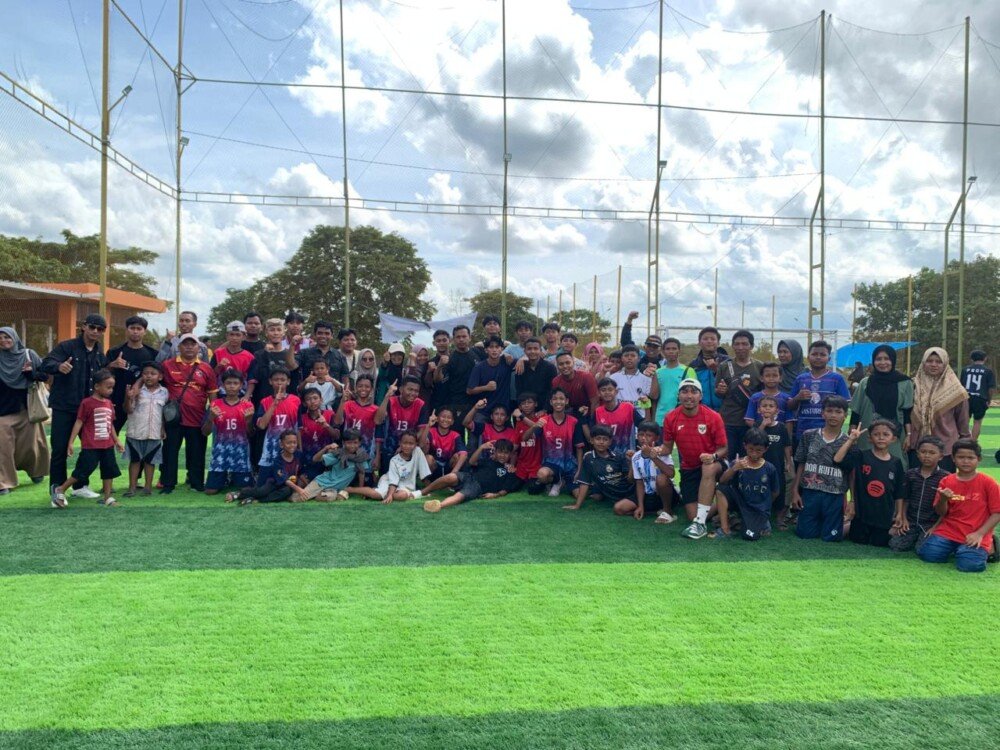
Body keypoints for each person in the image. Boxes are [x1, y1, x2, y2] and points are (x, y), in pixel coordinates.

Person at [42, 313, 109, 498]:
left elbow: (102, 376)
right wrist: (59, 367)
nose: (95, 331)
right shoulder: (67, 346)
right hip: (65, 406)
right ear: (84, 326)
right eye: (92, 327)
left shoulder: (99, 352)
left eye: (100, 329)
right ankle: (57, 489)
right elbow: (46, 363)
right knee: (60, 449)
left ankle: (80, 486)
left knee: (90, 449)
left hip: (88, 409)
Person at [917, 438, 1000, 573]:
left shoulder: (988, 483)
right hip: (949, 531)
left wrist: (979, 534)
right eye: (961, 457)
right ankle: (960, 549)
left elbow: (997, 513)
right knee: (928, 555)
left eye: (970, 458)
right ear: (953, 459)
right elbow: (941, 512)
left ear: (979, 459)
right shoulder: (946, 481)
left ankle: (990, 544)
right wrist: (943, 499)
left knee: (969, 566)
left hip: (976, 532)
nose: (965, 461)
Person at [661, 378, 728, 540]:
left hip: (715, 464)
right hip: (689, 467)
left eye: (694, 392)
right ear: (679, 396)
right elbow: (667, 449)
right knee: (691, 515)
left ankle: (700, 524)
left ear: (701, 396)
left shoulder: (713, 416)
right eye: (684, 391)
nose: (689, 396)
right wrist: (654, 450)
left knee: (708, 466)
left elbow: (724, 448)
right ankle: (726, 506)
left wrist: (712, 456)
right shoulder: (670, 417)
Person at [50, 369, 123, 508]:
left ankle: (108, 497)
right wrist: (71, 442)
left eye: (112, 387)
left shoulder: (109, 403)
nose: (111, 390)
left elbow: (110, 424)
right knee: (82, 471)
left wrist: (117, 441)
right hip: (91, 446)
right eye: (108, 387)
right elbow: (79, 422)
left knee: (109, 470)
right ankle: (60, 489)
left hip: (107, 445)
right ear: (96, 386)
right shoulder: (87, 403)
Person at [160, 333, 217, 494]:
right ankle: (168, 484)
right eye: (185, 344)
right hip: (174, 418)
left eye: (193, 344)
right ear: (179, 347)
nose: (189, 347)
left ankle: (196, 483)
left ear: (199, 348)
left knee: (197, 452)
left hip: (197, 418)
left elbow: (212, 392)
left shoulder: (206, 368)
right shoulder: (167, 365)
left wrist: (211, 414)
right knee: (170, 452)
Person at [835, 419, 906, 547]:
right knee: (857, 541)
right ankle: (847, 525)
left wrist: (899, 513)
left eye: (886, 434)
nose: (881, 438)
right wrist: (851, 439)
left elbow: (899, 491)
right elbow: (837, 459)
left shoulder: (896, 463)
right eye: (876, 434)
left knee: (880, 543)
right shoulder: (861, 456)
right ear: (869, 438)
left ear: (893, 439)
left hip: (883, 515)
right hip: (862, 515)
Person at [791, 395, 852, 542]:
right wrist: (795, 491)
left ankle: (849, 524)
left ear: (845, 415)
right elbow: (801, 463)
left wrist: (852, 501)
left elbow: (851, 473)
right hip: (810, 490)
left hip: (834, 493)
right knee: (805, 534)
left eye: (838, 412)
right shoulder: (809, 435)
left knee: (831, 537)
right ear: (822, 413)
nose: (833, 415)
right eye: (829, 411)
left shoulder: (849, 441)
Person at [0, 327, 50, 494]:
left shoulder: (28, 355)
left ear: (14, 338)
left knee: (31, 445)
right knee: (2, 448)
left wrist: (30, 373)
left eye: (7, 337)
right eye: (0, 338)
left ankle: (35, 471)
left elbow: (45, 376)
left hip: (27, 410)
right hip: (2, 412)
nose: (3, 340)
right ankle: (4, 482)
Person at [907, 347, 970, 473]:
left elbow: (963, 421)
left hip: (945, 448)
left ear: (945, 364)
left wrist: (965, 446)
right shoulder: (912, 386)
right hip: (917, 447)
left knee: (944, 483)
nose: (934, 365)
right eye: (929, 361)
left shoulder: (956, 391)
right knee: (915, 482)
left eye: (938, 361)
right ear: (923, 363)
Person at [848, 344, 913, 464]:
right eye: (878, 359)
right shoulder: (865, 383)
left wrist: (909, 435)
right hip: (867, 435)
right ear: (873, 361)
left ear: (893, 360)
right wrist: (852, 432)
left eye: (886, 359)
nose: (882, 362)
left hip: (894, 435)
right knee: (866, 466)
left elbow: (907, 412)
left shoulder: (905, 382)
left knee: (895, 465)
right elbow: (856, 412)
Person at [718, 428, 781, 541]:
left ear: (766, 449)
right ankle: (725, 528)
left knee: (749, 536)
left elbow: (775, 492)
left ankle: (756, 523)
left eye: (758, 450)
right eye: (751, 449)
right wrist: (734, 468)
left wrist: (764, 505)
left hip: (758, 510)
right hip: (741, 503)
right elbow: (722, 481)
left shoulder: (769, 468)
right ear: (745, 446)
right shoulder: (738, 463)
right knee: (720, 489)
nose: (754, 453)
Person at [422, 438, 518, 511]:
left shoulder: (509, 470)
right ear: (495, 451)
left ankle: (439, 505)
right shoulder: (489, 460)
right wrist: (481, 447)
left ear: (510, 454)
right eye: (500, 452)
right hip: (469, 476)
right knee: (451, 477)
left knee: (460, 496)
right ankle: (422, 492)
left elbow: (505, 489)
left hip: (477, 487)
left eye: (506, 453)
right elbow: (472, 461)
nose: (502, 455)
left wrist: (495, 495)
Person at [889, 436, 948, 554]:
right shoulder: (910, 474)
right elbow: (905, 498)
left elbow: (947, 508)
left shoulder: (946, 477)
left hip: (930, 523)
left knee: (923, 549)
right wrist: (904, 519)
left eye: (932, 453)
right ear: (917, 454)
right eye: (923, 452)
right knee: (895, 545)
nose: (927, 456)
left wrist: (935, 527)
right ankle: (911, 535)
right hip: (911, 521)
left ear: (941, 456)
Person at [523, 388, 585, 497]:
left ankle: (563, 482)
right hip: (551, 464)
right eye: (555, 399)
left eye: (561, 399)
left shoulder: (574, 421)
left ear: (566, 401)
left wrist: (579, 470)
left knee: (578, 495)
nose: (558, 401)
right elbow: (525, 439)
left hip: (570, 465)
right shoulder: (544, 421)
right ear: (551, 402)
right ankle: (557, 481)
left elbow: (579, 448)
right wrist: (534, 426)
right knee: (542, 475)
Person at [786, 340, 850, 446]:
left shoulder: (837, 379)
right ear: (808, 357)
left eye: (822, 354)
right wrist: (798, 397)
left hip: (828, 435)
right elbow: (790, 405)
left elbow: (845, 406)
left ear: (829, 358)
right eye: (814, 354)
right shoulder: (800, 379)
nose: (818, 357)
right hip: (803, 432)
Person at [203, 369, 255, 495]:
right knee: (210, 491)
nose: (232, 386)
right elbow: (205, 433)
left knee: (246, 490)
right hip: (221, 451)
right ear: (223, 385)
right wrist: (210, 418)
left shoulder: (247, 405)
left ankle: (233, 477)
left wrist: (248, 422)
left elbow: (251, 434)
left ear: (241, 385)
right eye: (228, 383)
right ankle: (224, 478)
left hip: (240, 451)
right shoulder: (215, 404)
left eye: (235, 383)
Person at [563, 425, 636, 513]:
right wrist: (577, 505)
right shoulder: (588, 457)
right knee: (602, 499)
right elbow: (585, 482)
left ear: (610, 442)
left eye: (605, 439)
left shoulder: (619, 456)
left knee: (619, 508)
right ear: (591, 440)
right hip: (613, 496)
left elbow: (630, 480)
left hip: (630, 492)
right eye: (598, 439)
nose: (601, 442)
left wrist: (631, 463)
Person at [106, 315, 158, 434]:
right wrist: (112, 365)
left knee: (141, 435)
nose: (135, 331)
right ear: (127, 330)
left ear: (144, 331)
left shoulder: (153, 354)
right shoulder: (114, 351)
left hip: (143, 401)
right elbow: (103, 374)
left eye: (139, 329)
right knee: (109, 435)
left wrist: (139, 384)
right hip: (117, 399)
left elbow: (157, 376)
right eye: (132, 328)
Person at [715, 329, 762, 460]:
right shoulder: (724, 366)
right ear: (733, 346)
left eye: (744, 344)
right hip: (728, 421)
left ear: (751, 346)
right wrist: (720, 390)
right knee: (726, 458)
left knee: (748, 459)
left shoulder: (760, 367)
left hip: (750, 422)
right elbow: (717, 392)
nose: (740, 347)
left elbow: (764, 394)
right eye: (737, 344)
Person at [123, 361, 167, 497]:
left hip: (154, 432)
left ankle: (148, 487)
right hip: (136, 431)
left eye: (153, 374)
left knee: (150, 461)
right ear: (142, 376)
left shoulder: (164, 392)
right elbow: (128, 410)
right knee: (135, 460)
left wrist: (163, 428)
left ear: (160, 377)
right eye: (146, 373)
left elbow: (163, 413)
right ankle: (132, 487)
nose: (149, 376)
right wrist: (128, 398)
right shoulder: (136, 391)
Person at [228, 430, 307, 505]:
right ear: (281, 444)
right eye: (288, 443)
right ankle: (238, 494)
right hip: (274, 483)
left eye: (294, 442)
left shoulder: (298, 455)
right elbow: (285, 480)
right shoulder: (277, 460)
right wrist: (299, 489)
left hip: (287, 485)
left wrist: (306, 484)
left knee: (286, 492)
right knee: (262, 491)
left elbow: (300, 472)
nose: (292, 445)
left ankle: (257, 500)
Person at [350, 430, 430, 503]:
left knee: (402, 495)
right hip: (389, 480)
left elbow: (423, 472)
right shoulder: (394, 460)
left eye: (411, 444)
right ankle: (350, 489)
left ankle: (377, 492)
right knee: (377, 495)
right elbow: (393, 481)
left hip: (404, 484)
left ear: (415, 444)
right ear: (400, 443)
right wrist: (389, 495)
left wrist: (428, 488)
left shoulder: (418, 451)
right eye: (404, 443)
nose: (407, 446)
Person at [465, 336, 514, 444]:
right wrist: (485, 387)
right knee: (474, 441)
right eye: (491, 347)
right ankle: (472, 455)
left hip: (503, 411)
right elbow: (469, 390)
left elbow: (527, 359)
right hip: (484, 411)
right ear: (486, 350)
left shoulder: (507, 362)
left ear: (501, 349)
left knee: (508, 442)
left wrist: (521, 360)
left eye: (497, 347)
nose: (494, 350)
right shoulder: (479, 367)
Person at [754, 395, 792, 529]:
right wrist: (763, 425)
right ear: (759, 410)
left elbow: (787, 446)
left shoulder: (781, 427)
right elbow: (754, 439)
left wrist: (788, 462)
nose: (767, 409)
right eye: (764, 406)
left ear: (777, 410)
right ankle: (761, 514)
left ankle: (780, 517)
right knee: (761, 489)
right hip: (760, 466)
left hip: (777, 466)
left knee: (779, 490)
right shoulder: (757, 425)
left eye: (771, 406)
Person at [375, 376, 427, 474]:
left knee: (425, 441)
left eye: (416, 391)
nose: (413, 393)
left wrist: (405, 446)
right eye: (410, 389)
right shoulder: (391, 401)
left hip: (409, 447)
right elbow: (378, 420)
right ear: (401, 389)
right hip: (390, 445)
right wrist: (387, 396)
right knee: (386, 477)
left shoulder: (420, 405)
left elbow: (421, 431)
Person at [299, 430, 370, 501]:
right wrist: (326, 448)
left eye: (355, 442)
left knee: (331, 497)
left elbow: (361, 473)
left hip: (334, 489)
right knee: (298, 498)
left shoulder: (361, 457)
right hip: (321, 482)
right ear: (343, 443)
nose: (352, 446)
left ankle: (318, 495)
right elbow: (315, 459)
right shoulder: (338, 454)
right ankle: (315, 494)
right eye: (349, 443)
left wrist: (361, 491)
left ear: (360, 443)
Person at [628, 421, 676, 523]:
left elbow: (671, 474)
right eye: (641, 435)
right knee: (619, 508)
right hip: (648, 495)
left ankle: (667, 510)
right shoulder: (636, 456)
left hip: (664, 493)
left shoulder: (662, 452)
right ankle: (650, 510)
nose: (644, 438)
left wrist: (653, 457)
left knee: (661, 478)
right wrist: (640, 506)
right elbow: (639, 482)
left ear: (657, 438)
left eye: (649, 435)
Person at [256, 367, 301, 470]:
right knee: (266, 478)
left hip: (290, 447)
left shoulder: (296, 400)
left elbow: (298, 427)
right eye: (276, 380)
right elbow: (262, 425)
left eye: (282, 380)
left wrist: (299, 448)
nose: (279, 382)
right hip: (270, 447)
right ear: (270, 381)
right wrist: (274, 404)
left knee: (288, 476)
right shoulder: (265, 402)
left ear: (288, 382)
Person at [335, 374, 379, 473]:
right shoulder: (348, 405)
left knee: (367, 476)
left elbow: (378, 435)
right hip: (348, 450)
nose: (363, 389)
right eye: (360, 386)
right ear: (355, 388)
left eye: (367, 386)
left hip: (367, 451)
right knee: (347, 476)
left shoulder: (376, 409)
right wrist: (342, 401)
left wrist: (377, 455)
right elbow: (337, 421)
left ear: (372, 389)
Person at [650, 338, 695, 427]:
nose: (671, 351)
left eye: (674, 349)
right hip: (661, 418)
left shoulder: (688, 371)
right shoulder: (658, 372)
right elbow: (654, 396)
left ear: (679, 351)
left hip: (682, 417)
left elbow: (694, 396)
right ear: (663, 351)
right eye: (668, 349)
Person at [297, 321, 350, 395]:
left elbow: (345, 378)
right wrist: (292, 345)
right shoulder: (304, 353)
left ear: (332, 336)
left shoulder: (340, 356)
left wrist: (346, 394)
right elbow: (292, 366)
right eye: (320, 333)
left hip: (334, 400)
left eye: (327, 333)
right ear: (314, 335)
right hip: (309, 399)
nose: (323, 336)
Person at [299, 387, 338, 480]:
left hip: (326, 458)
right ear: (304, 403)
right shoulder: (302, 418)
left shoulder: (330, 414)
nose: (312, 401)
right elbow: (298, 438)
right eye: (308, 399)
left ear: (321, 400)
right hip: (308, 458)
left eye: (315, 398)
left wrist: (326, 425)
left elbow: (336, 436)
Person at [689, 326, 730, 412]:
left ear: (718, 343)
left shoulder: (727, 362)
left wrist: (716, 371)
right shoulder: (694, 365)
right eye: (705, 339)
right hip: (701, 411)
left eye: (713, 339)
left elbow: (733, 384)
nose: (709, 341)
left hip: (725, 411)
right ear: (699, 343)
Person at [420, 407, 468, 479]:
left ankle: (450, 481)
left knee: (458, 456)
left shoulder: (455, 435)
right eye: (443, 416)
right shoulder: (431, 431)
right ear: (437, 419)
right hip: (434, 466)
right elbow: (421, 445)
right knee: (428, 458)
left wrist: (454, 472)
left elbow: (464, 454)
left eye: (449, 418)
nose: (445, 419)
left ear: (452, 421)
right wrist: (428, 425)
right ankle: (427, 480)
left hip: (448, 467)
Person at [610, 345, 655, 419]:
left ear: (639, 358)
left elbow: (651, 398)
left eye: (633, 356)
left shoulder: (646, 379)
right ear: (622, 358)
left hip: (640, 419)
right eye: (626, 355)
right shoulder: (613, 378)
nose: (629, 358)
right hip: (618, 418)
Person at [512, 337, 556, 411]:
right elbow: (519, 391)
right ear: (525, 351)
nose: (532, 351)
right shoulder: (521, 367)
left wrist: (545, 409)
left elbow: (552, 391)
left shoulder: (550, 368)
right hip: (525, 408)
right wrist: (521, 408)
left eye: (536, 349)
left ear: (540, 350)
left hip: (545, 408)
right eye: (529, 349)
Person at [593, 377, 636, 453]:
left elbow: (643, 424)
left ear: (616, 391)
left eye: (610, 389)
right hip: (604, 455)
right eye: (603, 390)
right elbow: (592, 435)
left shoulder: (628, 407)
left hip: (627, 454)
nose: (607, 392)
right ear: (599, 393)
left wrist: (647, 407)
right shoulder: (597, 412)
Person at [551, 351, 599, 420]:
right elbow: (558, 403)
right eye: (561, 364)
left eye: (568, 363)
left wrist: (591, 420)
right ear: (557, 366)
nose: (565, 366)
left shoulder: (586, 377)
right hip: (569, 413)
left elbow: (595, 401)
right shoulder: (556, 381)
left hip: (587, 413)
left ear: (573, 363)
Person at [961, 349, 995, 441]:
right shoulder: (988, 371)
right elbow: (991, 388)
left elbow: (961, 385)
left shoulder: (965, 370)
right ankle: (973, 442)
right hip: (980, 398)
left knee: (965, 421)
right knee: (977, 422)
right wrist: (989, 400)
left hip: (966, 398)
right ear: (985, 358)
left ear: (971, 359)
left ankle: (963, 440)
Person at [511, 393, 544, 488]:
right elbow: (515, 446)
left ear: (536, 404)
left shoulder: (542, 417)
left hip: (537, 465)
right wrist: (511, 464)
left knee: (533, 489)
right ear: (520, 407)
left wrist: (521, 416)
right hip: (522, 465)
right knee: (512, 486)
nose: (526, 405)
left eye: (529, 402)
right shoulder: (518, 423)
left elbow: (539, 428)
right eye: (523, 403)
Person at [744, 362, 790, 427]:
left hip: (779, 433)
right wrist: (760, 430)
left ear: (780, 378)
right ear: (761, 378)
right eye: (767, 376)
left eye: (775, 375)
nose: (771, 378)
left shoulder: (786, 398)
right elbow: (749, 420)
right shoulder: (755, 397)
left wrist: (785, 434)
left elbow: (789, 421)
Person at [424, 330, 452, 412]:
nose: (441, 343)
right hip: (436, 404)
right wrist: (429, 372)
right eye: (438, 341)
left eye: (444, 340)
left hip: (453, 403)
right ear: (434, 343)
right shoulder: (430, 362)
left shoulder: (456, 358)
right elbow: (427, 384)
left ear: (449, 341)